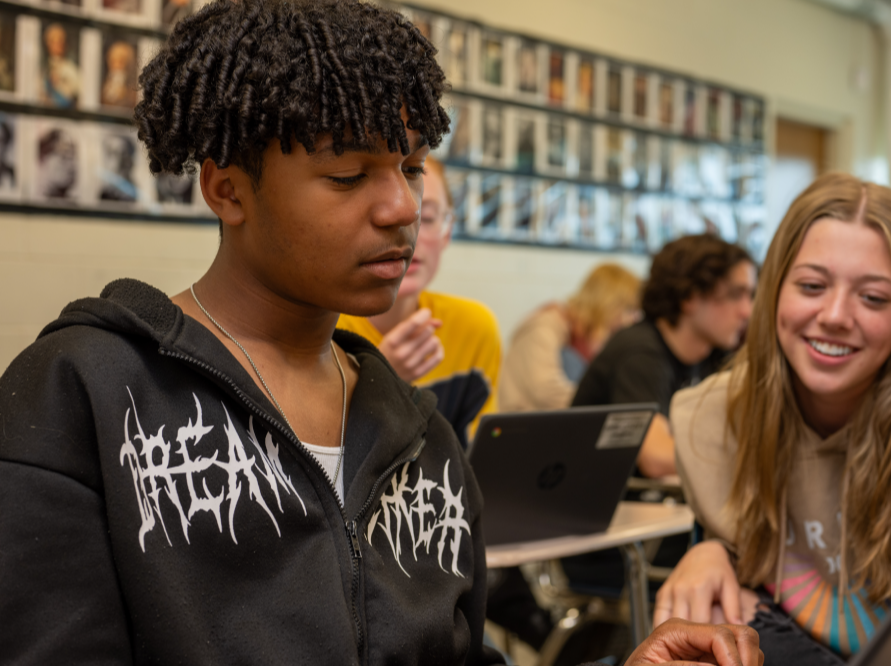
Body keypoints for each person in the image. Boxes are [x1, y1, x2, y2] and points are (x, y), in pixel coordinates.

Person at [0, 2, 767, 664]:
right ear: (226, 188)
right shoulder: (86, 393)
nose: (402, 207)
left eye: (412, 167)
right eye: (348, 175)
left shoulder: (416, 431)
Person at [655, 172, 891, 665]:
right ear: (773, 291)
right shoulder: (715, 413)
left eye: (874, 297)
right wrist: (715, 549)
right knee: (708, 614)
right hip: (794, 643)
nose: (836, 315)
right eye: (812, 286)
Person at [337, 156, 502, 450]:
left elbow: (477, 459)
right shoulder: (323, 335)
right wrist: (379, 384)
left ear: (447, 232)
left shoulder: (474, 328)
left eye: (425, 218)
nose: (406, 232)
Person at [572, 233, 756, 478]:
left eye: (750, 296)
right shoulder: (639, 351)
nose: (747, 311)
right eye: (735, 295)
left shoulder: (717, 355)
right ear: (690, 297)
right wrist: (751, 463)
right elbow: (656, 458)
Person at [498, 262, 641, 413]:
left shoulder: (591, 338)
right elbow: (546, 391)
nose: (633, 319)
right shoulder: (545, 325)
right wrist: (605, 399)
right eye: (629, 309)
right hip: (520, 424)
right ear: (609, 304)